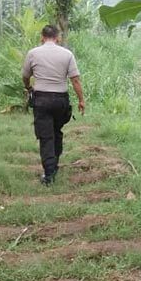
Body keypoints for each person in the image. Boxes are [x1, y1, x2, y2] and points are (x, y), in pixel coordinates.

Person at [22, 25, 85, 185]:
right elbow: (75, 80)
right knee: (56, 131)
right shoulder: (67, 54)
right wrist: (81, 100)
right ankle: (54, 164)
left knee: (46, 136)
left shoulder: (33, 53)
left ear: (42, 37)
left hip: (41, 99)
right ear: (58, 37)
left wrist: (28, 87)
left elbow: (25, 76)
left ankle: (49, 173)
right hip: (60, 100)